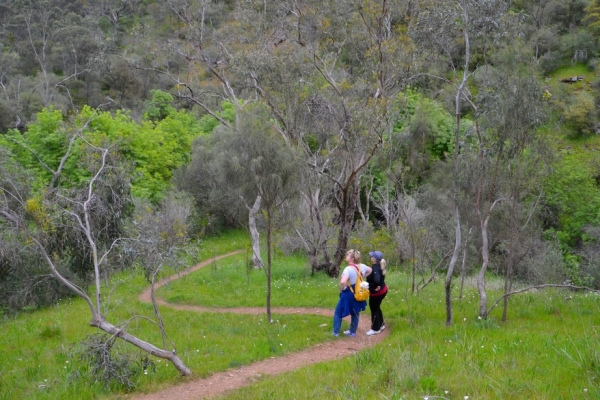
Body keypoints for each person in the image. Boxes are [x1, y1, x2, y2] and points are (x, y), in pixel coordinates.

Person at [332, 249, 372, 337]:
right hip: (359, 292)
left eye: (348, 255)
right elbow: (370, 270)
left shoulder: (348, 269)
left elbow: (343, 282)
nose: (346, 256)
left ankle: (335, 332)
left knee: (338, 312)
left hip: (349, 293)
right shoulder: (362, 266)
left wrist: (343, 288)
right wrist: (361, 278)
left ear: (352, 259)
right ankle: (352, 332)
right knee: (355, 312)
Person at [365, 250, 388, 336]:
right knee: (377, 307)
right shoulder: (380, 265)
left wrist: (376, 285)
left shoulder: (375, 267)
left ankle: (375, 329)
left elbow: (377, 279)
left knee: (374, 309)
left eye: (372, 256)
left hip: (377, 293)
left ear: (374, 259)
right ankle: (381, 325)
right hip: (383, 290)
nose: (371, 257)